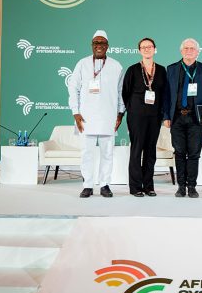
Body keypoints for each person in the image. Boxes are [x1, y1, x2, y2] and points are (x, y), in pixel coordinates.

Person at [68, 30, 125, 198]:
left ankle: (105, 185)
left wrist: (120, 113)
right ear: (92, 46)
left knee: (107, 153)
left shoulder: (116, 66)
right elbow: (73, 88)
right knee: (86, 153)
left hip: (109, 117)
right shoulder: (82, 64)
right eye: (95, 43)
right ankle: (87, 185)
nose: (98, 46)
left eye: (102, 43)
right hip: (85, 118)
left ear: (107, 46)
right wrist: (75, 112)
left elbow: (121, 92)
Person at [163, 38, 202, 198]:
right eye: (186, 48)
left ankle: (192, 186)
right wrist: (166, 116)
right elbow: (166, 95)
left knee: (194, 153)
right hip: (177, 117)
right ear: (181, 51)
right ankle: (181, 187)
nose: (189, 51)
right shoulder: (171, 69)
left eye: (192, 48)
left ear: (198, 52)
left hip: (196, 118)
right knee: (179, 153)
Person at [122, 37, 167, 197]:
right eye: (143, 47)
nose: (147, 49)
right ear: (139, 50)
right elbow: (125, 93)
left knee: (150, 151)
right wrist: (132, 110)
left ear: (155, 49)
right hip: (136, 117)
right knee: (136, 150)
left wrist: (164, 115)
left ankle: (148, 186)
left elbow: (164, 94)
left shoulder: (161, 70)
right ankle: (135, 187)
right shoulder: (132, 69)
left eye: (150, 47)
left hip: (155, 117)